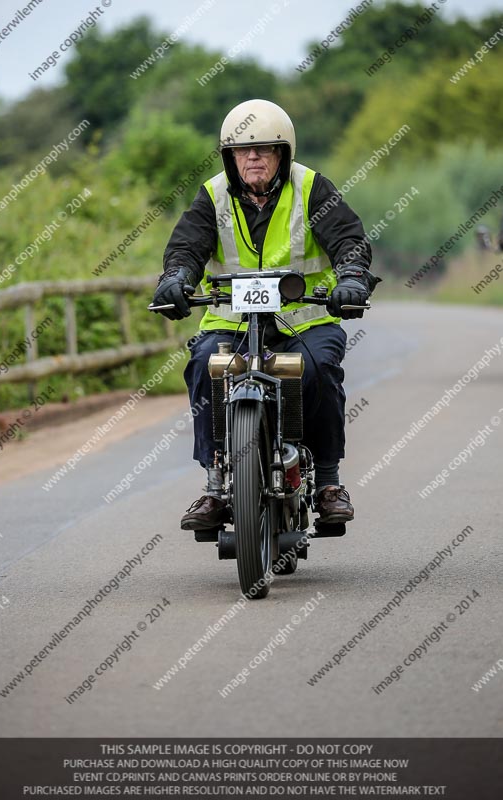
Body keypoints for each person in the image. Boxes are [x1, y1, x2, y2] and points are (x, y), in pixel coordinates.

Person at [152, 98, 380, 532]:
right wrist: (176, 277)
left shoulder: (312, 188)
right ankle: (216, 483)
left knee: (318, 367)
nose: (252, 157)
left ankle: (329, 482)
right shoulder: (213, 195)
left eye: (264, 149)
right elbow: (187, 246)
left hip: (306, 320)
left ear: (283, 153)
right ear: (230, 156)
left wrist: (351, 276)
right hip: (231, 323)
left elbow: (348, 240)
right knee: (204, 365)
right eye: (243, 150)